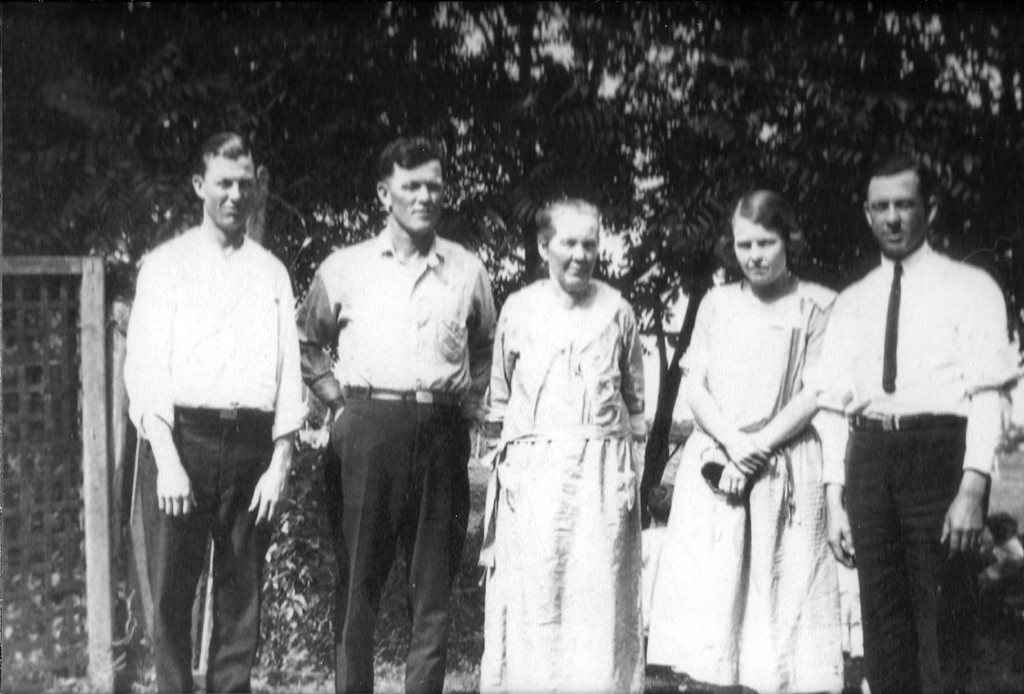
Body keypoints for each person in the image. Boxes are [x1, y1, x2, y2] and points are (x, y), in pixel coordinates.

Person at [296, 136, 496, 694]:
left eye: (434, 184)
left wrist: (472, 405)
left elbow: (486, 348)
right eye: (412, 186)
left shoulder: (467, 270)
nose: (425, 196)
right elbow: (308, 340)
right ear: (385, 193)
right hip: (366, 429)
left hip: (441, 432)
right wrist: (337, 401)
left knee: (432, 590)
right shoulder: (346, 267)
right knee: (358, 583)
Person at [813, 152, 1018, 693]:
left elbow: (989, 395)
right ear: (866, 214)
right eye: (881, 207)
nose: (893, 218)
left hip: (939, 458)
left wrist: (973, 488)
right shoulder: (852, 302)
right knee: (884, 631)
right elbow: (834, 405)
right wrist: (835, 497)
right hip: (870, 463)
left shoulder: (971, 288)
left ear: (930, 208)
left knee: (943, 629)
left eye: (905, 205)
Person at [124, 132, 306, 693]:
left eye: (245, 183)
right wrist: (168, 457)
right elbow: (145, 368)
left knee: (241, 598)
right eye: (223, 182)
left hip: (251, 446)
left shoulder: (271, 272)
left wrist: (280, 461)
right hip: (182, 441)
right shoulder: (165, 264)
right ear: (200, 185)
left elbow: (289, 371)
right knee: (171, 596)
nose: (235, 194)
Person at [647, 191, 844, 693]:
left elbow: (815, 391)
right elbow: (695, 385)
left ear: (789, 241)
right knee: (716, 604)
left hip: (786, 463)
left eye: (766, 242)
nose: (754, 255)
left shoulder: (818, 304)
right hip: (718, 458)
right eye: (743, 244)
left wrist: (758, 448)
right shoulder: (716, 303)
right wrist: (735, 443)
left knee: (780, 600)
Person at [477, 199, 647, 693]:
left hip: (601, 479)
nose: (580, 254)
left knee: (599, 602)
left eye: (590, 242)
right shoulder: (519, 308)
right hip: (534, 477)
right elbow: (500, 397)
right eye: (568, 242)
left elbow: (634, 402)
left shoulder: (617, 311)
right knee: (536, 597)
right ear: (543, 246)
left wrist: (626, 473)